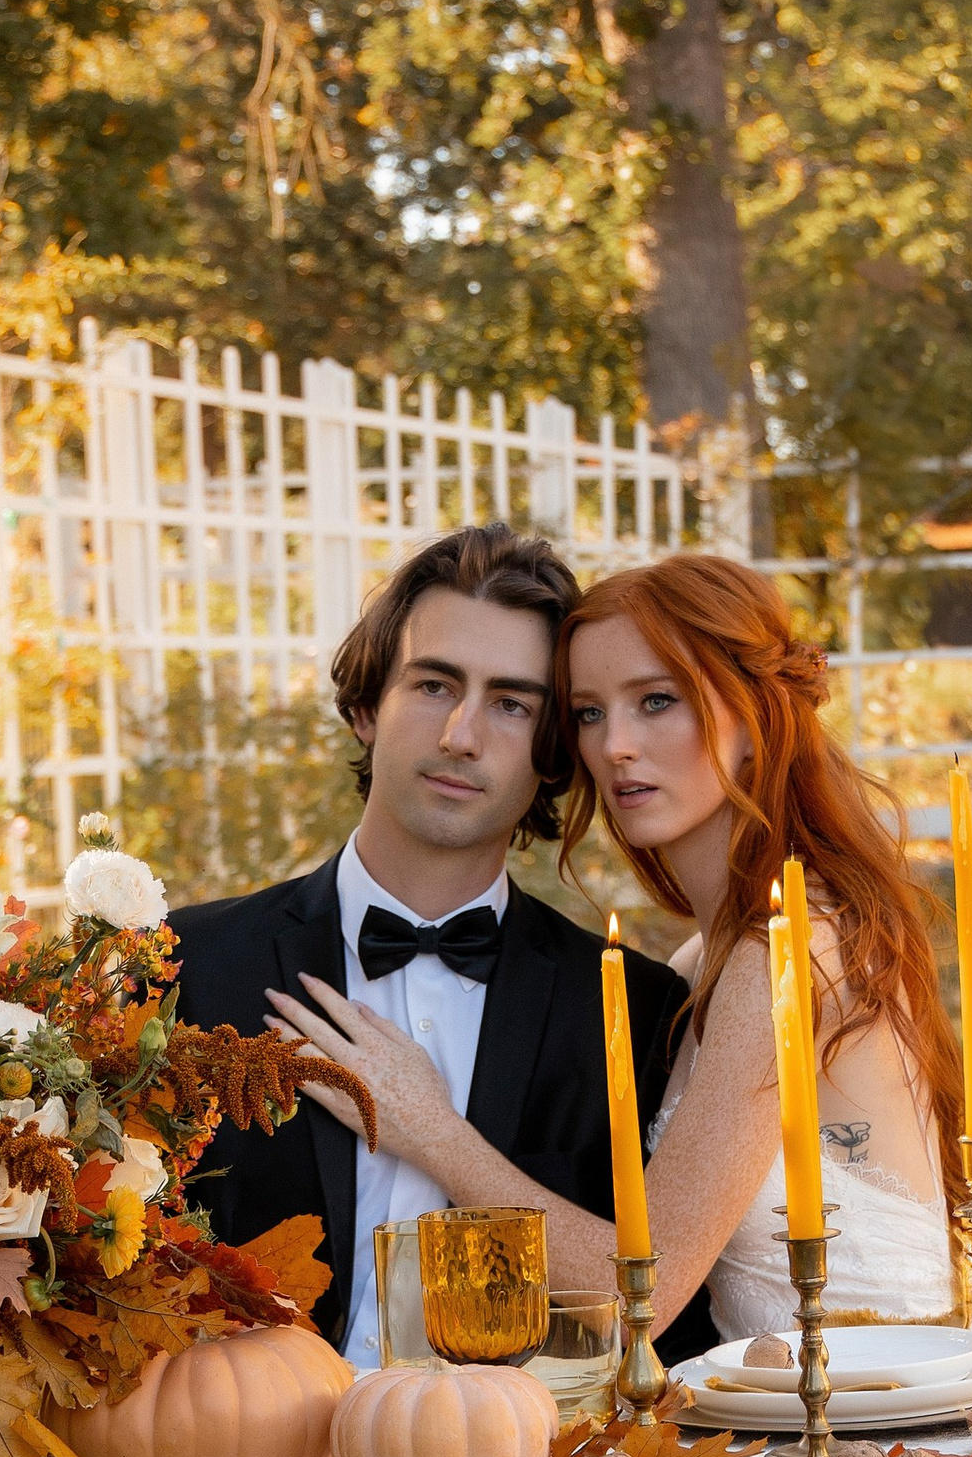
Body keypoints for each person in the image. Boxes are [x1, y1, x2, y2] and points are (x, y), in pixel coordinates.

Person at [269, 549, 961, 1341]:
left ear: (757, 719)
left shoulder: (793, 954)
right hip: (749, 1421)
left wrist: (429, 1129)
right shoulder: (692, 970)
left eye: (656, 701)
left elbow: (645, 1291)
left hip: (866, 1425)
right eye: (590, 713)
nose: (615, 746)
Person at [171, 524, 690, 1365]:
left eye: (512, 704)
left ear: (553, 756)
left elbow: (656, 1323)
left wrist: (437, 1133)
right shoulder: (188, 968)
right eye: (434, 685)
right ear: (367, 708)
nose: (461, 734)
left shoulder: (633, 1009)